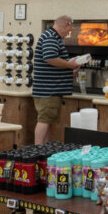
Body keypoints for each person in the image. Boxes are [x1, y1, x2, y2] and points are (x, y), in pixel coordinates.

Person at [33, 15, 79, 144]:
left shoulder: (52, 37)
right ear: (65, 25)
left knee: (47, 122)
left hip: (49, 89)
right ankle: (38, 151)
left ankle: (44, 150)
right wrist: (70, 65)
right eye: (68, 30)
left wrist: (69, 72)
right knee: (44, 121)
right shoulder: (50, 37)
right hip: (48, 90)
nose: (68, 34)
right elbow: (50, 58)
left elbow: (53, 64)